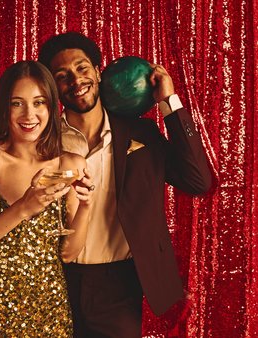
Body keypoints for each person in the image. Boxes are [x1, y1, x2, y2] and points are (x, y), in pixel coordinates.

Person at [38, 32, 213, 337]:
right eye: (62, 75)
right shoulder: (42, 140)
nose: (76, 81)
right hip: (53, 279)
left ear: (98, 71)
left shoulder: (141, 133)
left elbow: (198, 181)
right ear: (52, 87)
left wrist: (169, 103)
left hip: (118, 283)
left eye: (82, 69)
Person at [0, 61, 94, 337]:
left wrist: (87, 206)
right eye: (17, 103)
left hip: (48, 310)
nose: (29, 114)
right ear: (4, 108)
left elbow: (68, 254)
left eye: (39, 102)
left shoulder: (69, 164)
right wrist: (23, 207)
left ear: (51, 107)